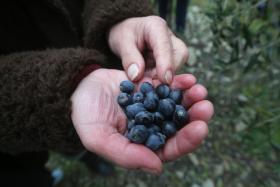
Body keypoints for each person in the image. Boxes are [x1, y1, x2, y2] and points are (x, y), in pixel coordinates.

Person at [0, 0, 214, 186]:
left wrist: (120, 17)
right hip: (14, 134)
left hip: (90, 60)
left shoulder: (140, 108)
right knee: (27, 173)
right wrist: (65, 85)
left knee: (90, 140)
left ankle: (88, 156)